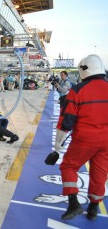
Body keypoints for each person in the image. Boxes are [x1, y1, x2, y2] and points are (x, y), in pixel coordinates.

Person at [54, 54, 108, 220]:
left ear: (83, 71)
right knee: (100, 174)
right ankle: (93, 208)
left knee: (68, 166)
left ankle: (73, 203)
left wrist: (58, 146)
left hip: (84, 139)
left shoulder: (77, 91)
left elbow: (67, 121)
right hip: (106, 142)